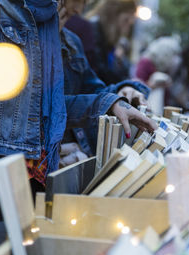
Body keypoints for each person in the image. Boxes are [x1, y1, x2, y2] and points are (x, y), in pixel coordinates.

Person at [0, 0, 156, 239]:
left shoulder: (46, 21)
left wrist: (109, 103)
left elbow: (47, 108)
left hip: (31, 190)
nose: (80, 10)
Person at [59, 0, 150, 161]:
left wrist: (123, 90)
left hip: (73, 147)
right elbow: (45, 106)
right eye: (78, 1)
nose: (79, 10)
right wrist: (110, 101)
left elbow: (93, 88)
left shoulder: (73, 41)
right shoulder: (87, 32)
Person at [85, 0, 136, 84]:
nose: (127, 26)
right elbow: (100, 71)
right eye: (126, 20)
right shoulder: (94, 30)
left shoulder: (106, 35)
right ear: (113, 16)